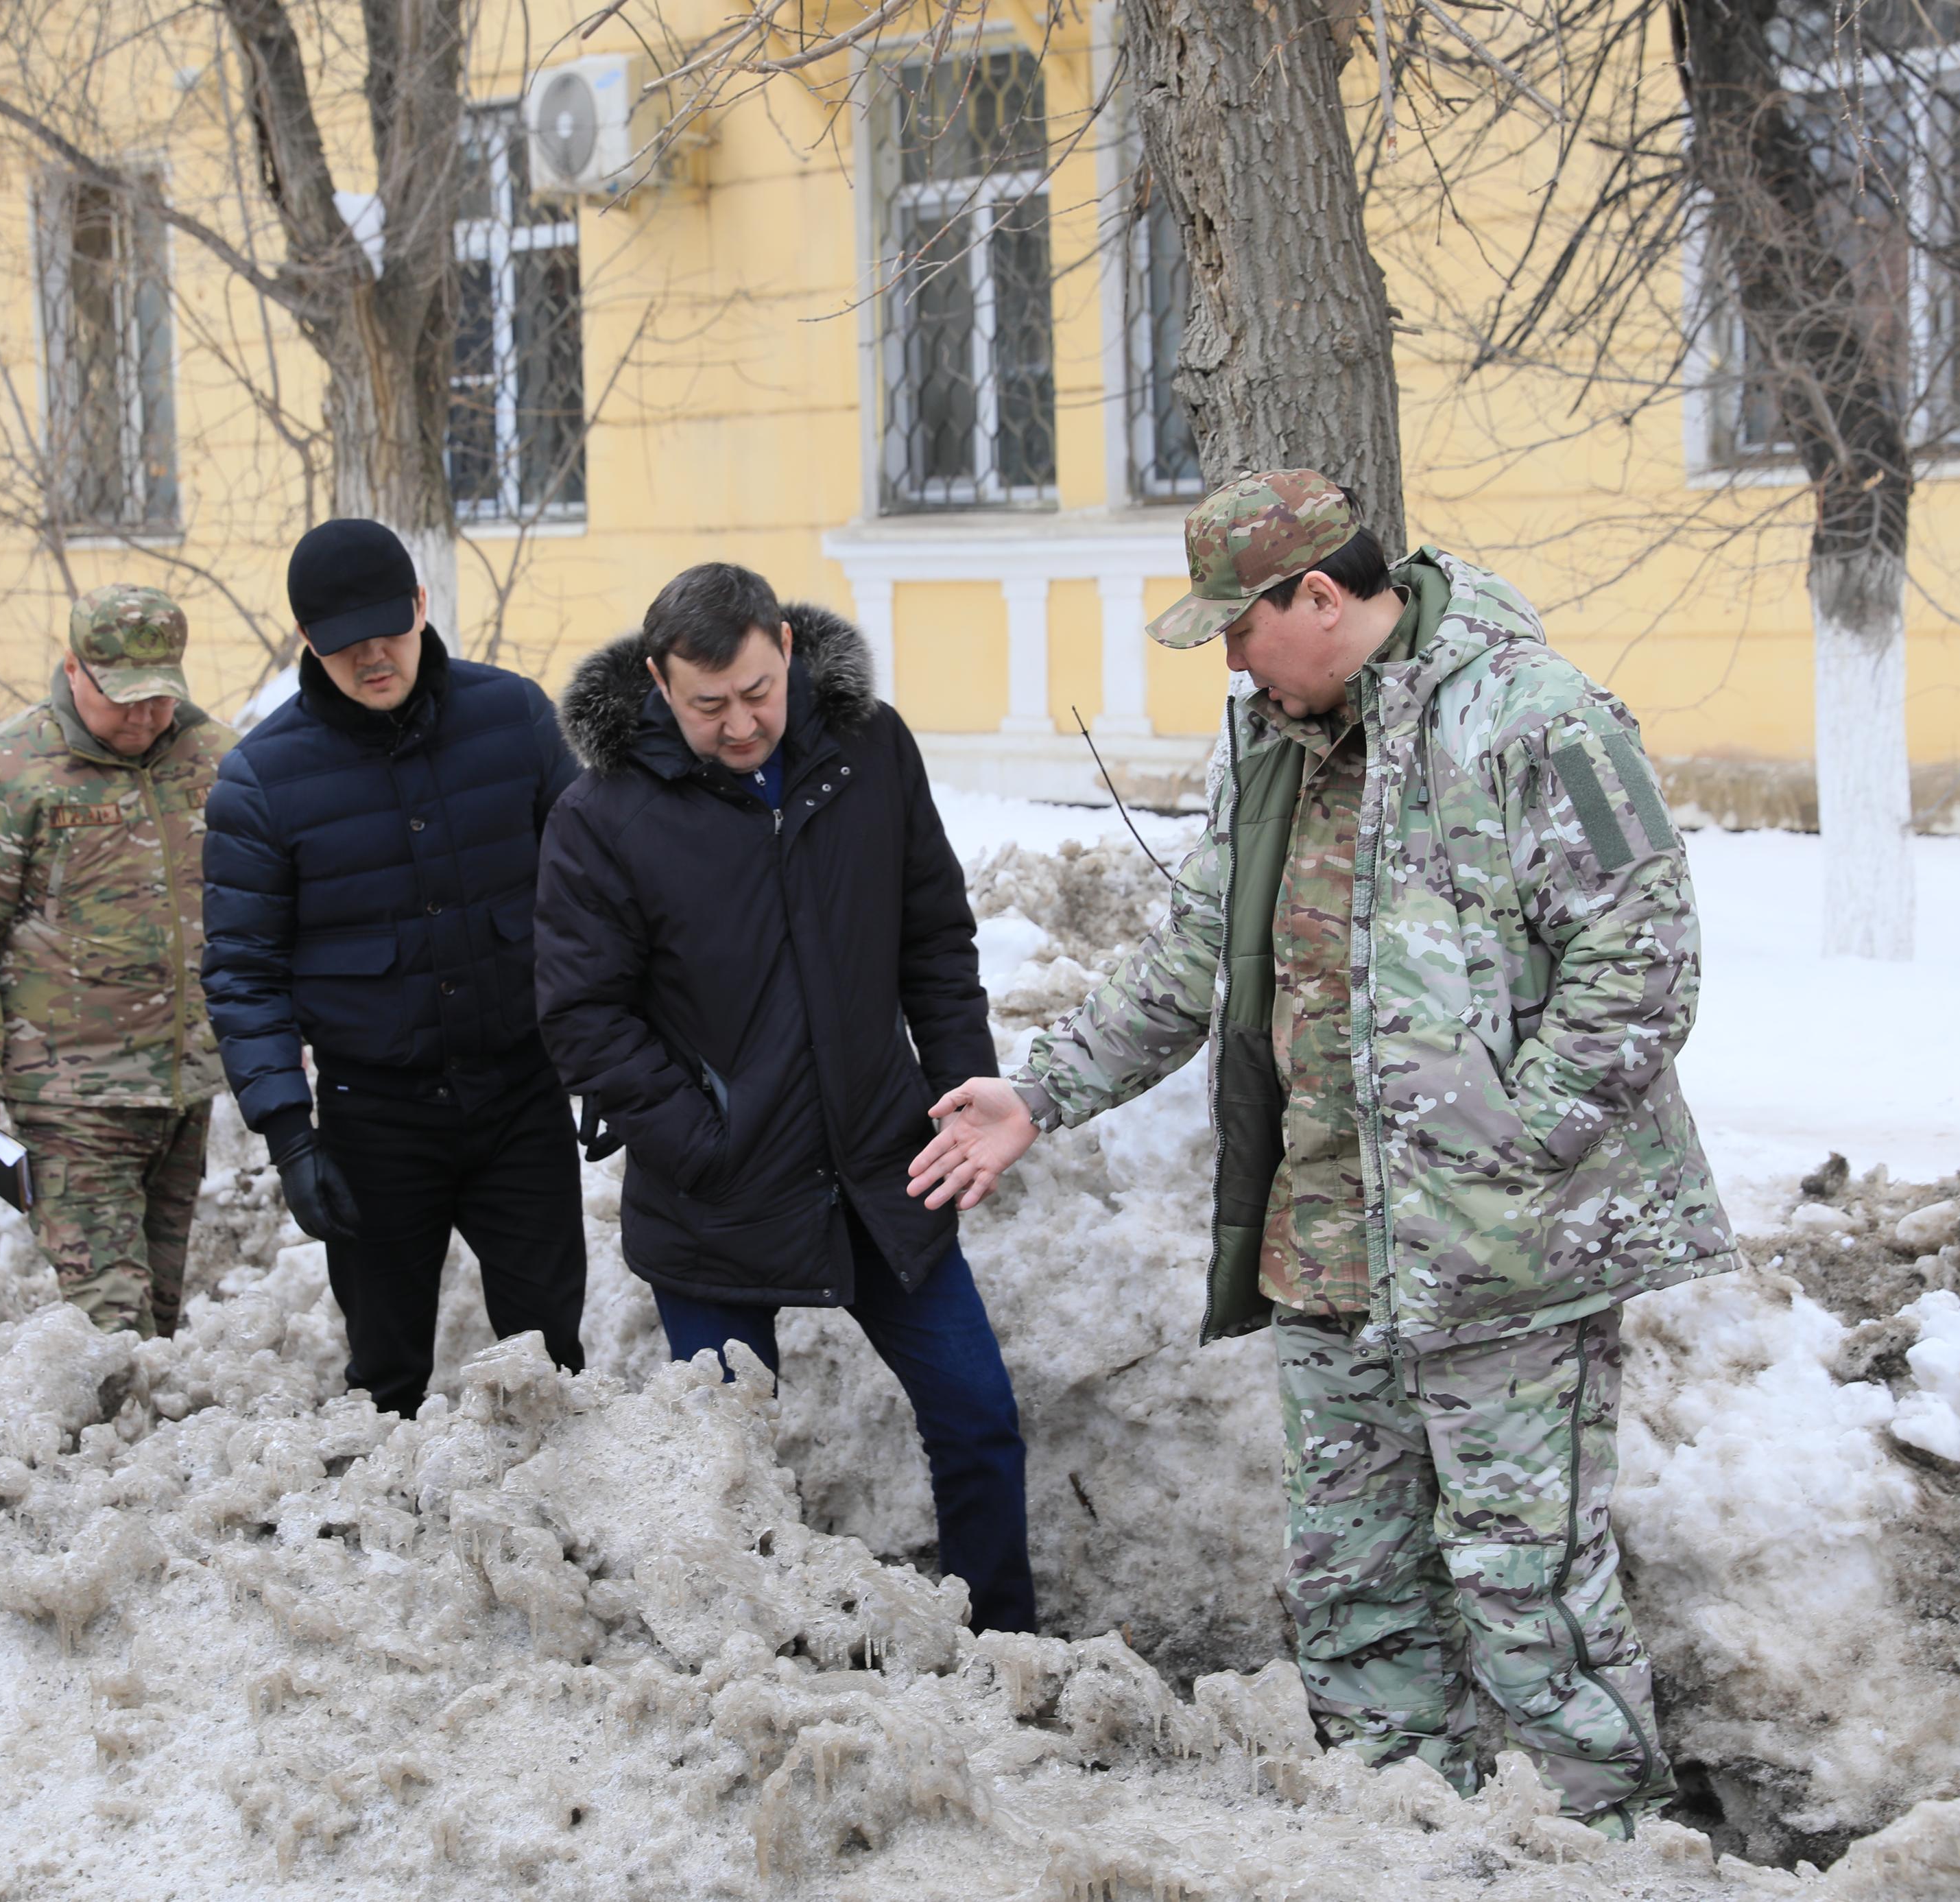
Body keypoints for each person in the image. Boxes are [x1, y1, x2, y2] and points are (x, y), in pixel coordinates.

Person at [908, 471, 1733, 1829]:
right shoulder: (1271, 746)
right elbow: (1194, 956)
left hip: (1503, 1259)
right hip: (1328, 1244)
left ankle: (1604, 1844)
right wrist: (1040, 1094)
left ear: (1321, 596)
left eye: (1240, 627)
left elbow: (1643, 955)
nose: (1227, 659)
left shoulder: (1536, 721)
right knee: (1354, 1586)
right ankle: (1395, 1828)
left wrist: (1516, 1143)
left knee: (1528, 1585)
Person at [535, 562, 1035, 1635]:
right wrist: (704, 1137)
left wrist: (960, 1095)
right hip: (716, 1196)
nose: (741, 722)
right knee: (727, 1463)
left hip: (883, 1167)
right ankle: (748, 1654)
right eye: (708, 703)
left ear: (788, 650)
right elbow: (584, 1018)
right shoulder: (604, 813)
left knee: (979, 1416)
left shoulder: (869, 750)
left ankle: (1006, 1648)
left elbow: (935, 940)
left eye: (758, 691)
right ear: (660, 682)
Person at [202, 519, 586, 1416]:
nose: (374, 658)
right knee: (386, 1374)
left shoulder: (515, 719)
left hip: (519, 1096)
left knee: (549, 1354)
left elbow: (590, 902)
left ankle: (555, 1527)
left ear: (422, 605)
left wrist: (606, 1045)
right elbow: (244, 974)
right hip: (377, 1121)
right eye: (345, 646)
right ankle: (385, 1538)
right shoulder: (260, 782)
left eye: (390, 631)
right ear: (307, 641)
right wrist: (292, 1139)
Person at [0, 584, 231, 1339]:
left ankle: (143, 1448)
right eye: (122, 698)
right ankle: (118, 1432)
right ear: (72, 669)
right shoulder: (4, 772)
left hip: (183, 1081)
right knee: (109, 1314)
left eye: (157, 698)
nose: (142, 716)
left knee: (158, 1298)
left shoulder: (216, 758)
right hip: (70, 1092)